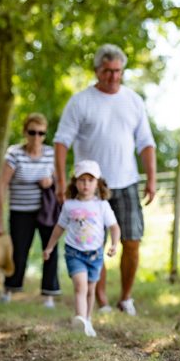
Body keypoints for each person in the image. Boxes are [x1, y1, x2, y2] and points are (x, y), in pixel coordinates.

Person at [53, 44, 156, 316]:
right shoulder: (80, 101)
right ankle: (100, 300)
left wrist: (152, 179)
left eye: (118, 71)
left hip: (127, 181)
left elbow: (146, 143)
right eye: (107, 71)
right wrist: (62, 181)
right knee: (92, 244)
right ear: (97, 71)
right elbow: (62, 142)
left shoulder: (133, 100)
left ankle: (126, 297)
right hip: (92, 188)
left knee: (132, 241)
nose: (113, 76)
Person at [42, 160, 120, 337]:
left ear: (97, 183)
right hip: (74, 252)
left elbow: (114, 227)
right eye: (82, 180)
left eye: (90, 180)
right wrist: (49, 247)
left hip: (95, 254)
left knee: (91, 290)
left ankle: (87, 320)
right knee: (80, 286)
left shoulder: (102, 205)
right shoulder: (69, 205)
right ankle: (80, 319)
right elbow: (59, 228)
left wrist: (114, 244)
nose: (86, 184)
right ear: (75, 182)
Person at [0, 113, 60, 306]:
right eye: (32, 132)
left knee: (50, 250)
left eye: (41, 133)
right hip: (20, 211)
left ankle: (49, 294)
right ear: (25, 132)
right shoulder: (14, 154)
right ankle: (9, 289)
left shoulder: (51, 154)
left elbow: (60, 182)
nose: (36, 137)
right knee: (19, 252)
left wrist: (51, 181)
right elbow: (2, 186)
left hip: (46, 211)